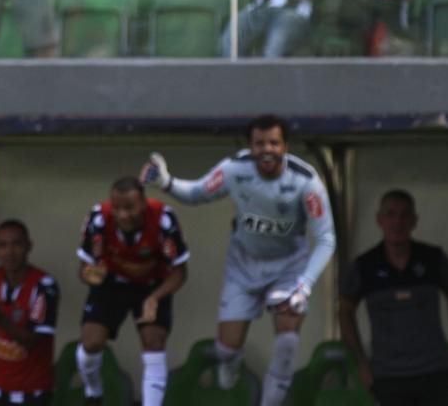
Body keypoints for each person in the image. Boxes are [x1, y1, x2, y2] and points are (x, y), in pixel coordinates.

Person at [141, 114, 336, 406]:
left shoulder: (305, 181)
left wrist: (304, 286)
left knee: (286, 343)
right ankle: (228, 363)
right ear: (250, 146)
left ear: (285, 146)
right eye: (260, 144)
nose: (267, 150)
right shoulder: (235, 170)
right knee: (227, 349)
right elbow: (197, 193)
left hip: (288, 269)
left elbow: (326, 239)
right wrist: (166, 182)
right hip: (242, 267)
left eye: (274, 143)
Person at [339, 190, 448, 405]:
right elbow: (344, 310)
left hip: (435, 371)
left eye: (404, 215)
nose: (397, 222)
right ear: (379, 220)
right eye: (391, 215)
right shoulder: (364, 266)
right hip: (388, 377)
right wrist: (360, 361)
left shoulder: (433, 258)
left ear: (414, 221)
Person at [75, 177, 189, 406]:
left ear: (143, 204)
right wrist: (92, 276)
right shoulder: (98, 218)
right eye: (116, 208)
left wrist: (155, 299)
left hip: (153, 284)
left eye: (129, 208)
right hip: (112, 282)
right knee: (91, 341)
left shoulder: (164, 219)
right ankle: (93, 392)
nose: (122, 215)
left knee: (154, 340)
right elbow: (83, 269)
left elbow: (180, 272)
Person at [0, 220, 59, 406]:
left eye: (17, 244)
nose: (10, 252)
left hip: (32, 393)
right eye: (3, 245)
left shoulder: (44, 285)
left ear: (28, 246)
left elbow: (32, 340)